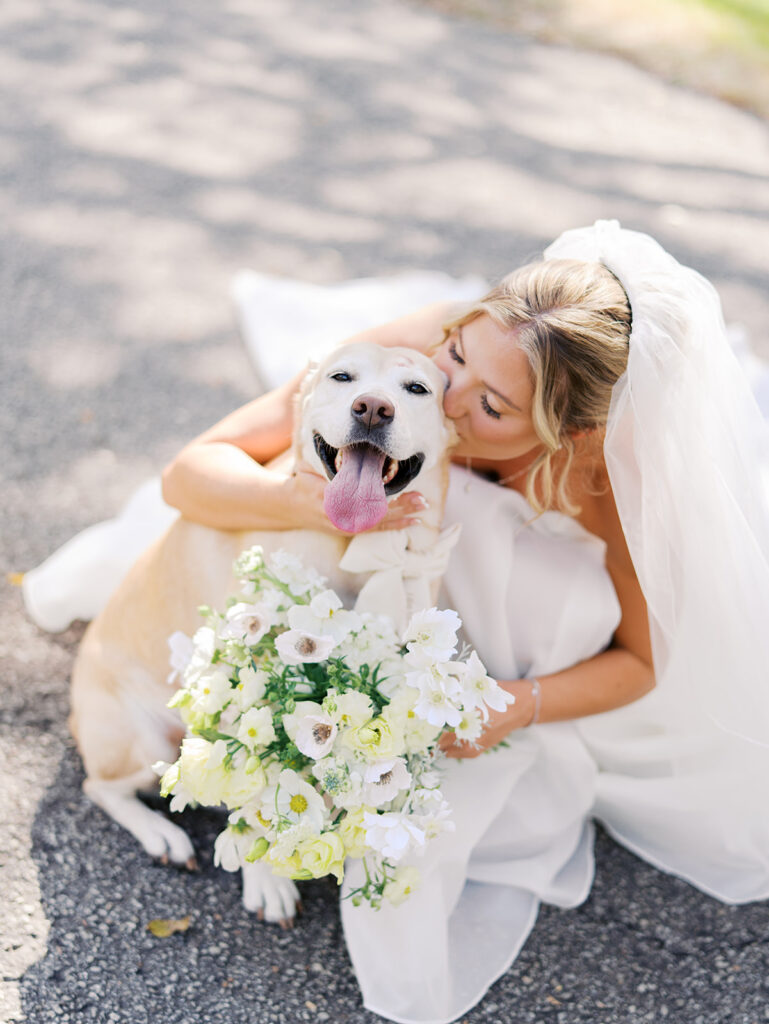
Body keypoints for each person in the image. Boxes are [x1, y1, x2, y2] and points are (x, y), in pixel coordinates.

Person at [23, 221, 769, 1024]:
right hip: (326, 570)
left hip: (480, 637)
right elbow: (187, 475)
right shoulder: (413, 357)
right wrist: (302, 499)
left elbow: (641, 661)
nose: (440, 398)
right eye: (455, 360)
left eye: (487, 404)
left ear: (569, 433)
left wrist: (515, 704)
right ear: (460, 326)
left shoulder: (606, 481)